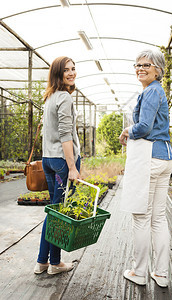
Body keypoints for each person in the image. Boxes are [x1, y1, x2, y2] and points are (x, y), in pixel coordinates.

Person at [119, 50, 172, 287]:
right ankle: (161, 273)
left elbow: (143, 127)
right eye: (137, 64)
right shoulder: (156, 91)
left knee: (141, 217)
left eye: (146, 65)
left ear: (158, 70)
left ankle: (139, 272)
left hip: (150, 157)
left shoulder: (152, 91)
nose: (140, 68)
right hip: (164, 157)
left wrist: (126, 131)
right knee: (158, 218)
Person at [34, 56, 81, 275]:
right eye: (66, 70)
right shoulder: (64, 98)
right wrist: (72, 167)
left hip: (48, 160)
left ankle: (42, 261)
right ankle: (55, 263)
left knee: (53, 211)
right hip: (62, 162)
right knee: (59, 213)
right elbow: (65, 135)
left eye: (73, 69)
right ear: (58, 74)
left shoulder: (50, 97)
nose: (72, 73)